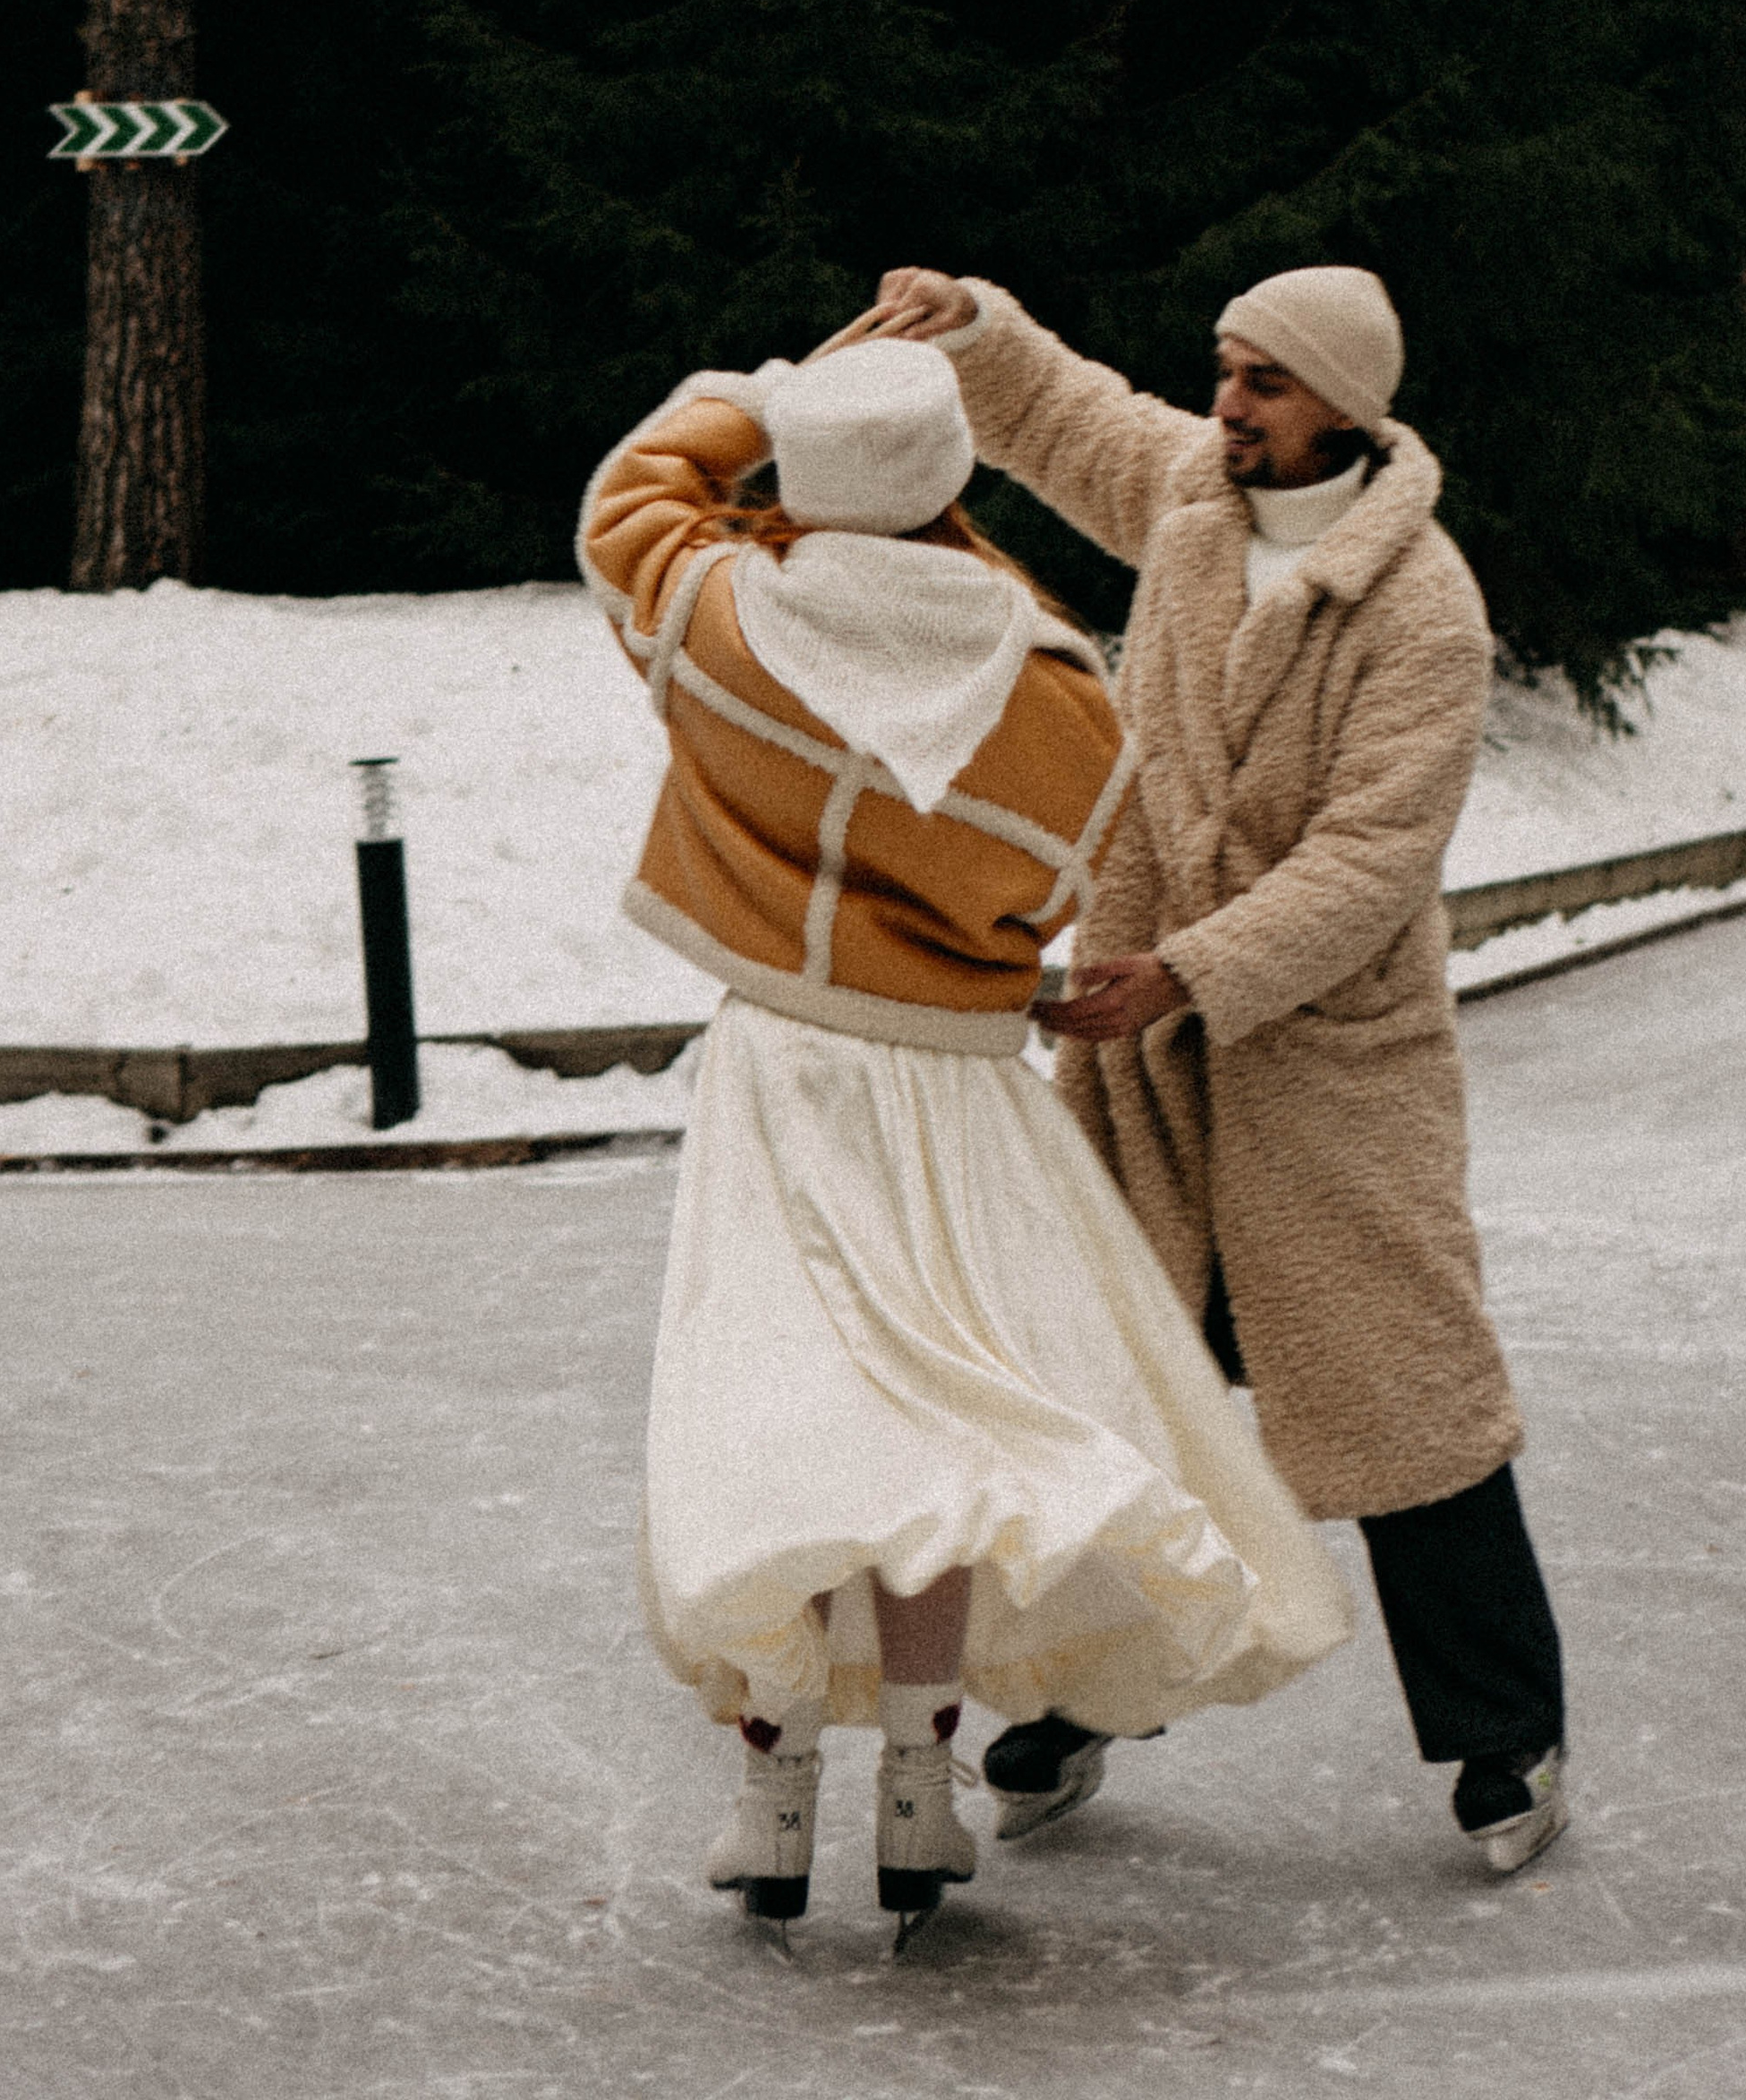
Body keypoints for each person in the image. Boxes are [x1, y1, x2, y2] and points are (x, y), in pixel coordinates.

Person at [580, 330, 1355, 1942]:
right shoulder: (1052, 674)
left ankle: (773, 1795)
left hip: (787, 1071)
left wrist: (770, 391)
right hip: (952, 1083)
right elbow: (1059, 879)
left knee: (790, 1411)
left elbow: (628, 497)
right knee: (948, 1429)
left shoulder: (722, 611)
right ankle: (923, 1788)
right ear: (954, 481)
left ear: (804, 471)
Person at [867, 262, 1570, 1875]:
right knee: (1118, 1396)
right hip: (1149, 1060)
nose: (1228, 405)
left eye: (1261, 382)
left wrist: (1188, 972)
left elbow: (1370, 861)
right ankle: (1081, 1705)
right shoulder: (1198, 497)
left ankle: (1506, 1732)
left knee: (1404, 1407)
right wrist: (971, 321)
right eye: (1226, 371)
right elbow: (1064, 414)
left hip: (1322, 1065)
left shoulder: (1421, 609)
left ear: (1344, 405)